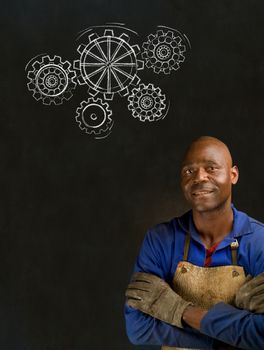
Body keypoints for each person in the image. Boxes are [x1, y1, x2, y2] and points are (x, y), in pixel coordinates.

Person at [124, 136, 264, 350]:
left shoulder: (259, 241)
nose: (199, 177)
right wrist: (236, 334)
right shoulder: (160, 240)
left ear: (233, 174)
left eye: (211, 168)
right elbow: (137, 328)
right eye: (189, 171)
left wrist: (179, 310)